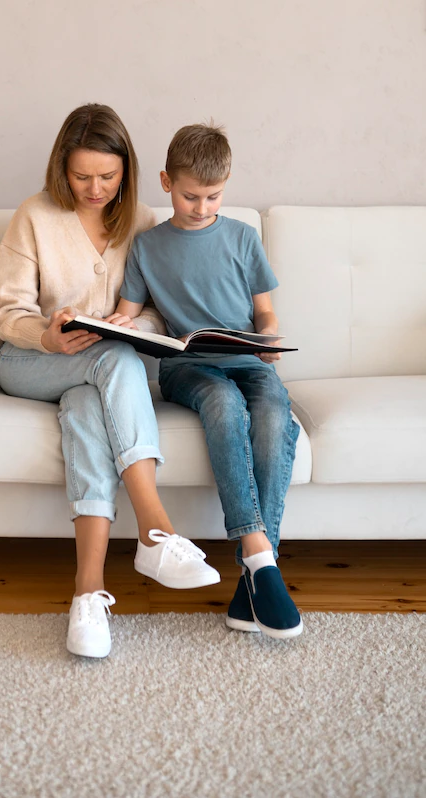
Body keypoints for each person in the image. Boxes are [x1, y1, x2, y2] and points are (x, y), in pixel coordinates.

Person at [0, 104, 220, 659]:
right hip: (31, 361)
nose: (95, 189)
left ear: (127, 171)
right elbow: (8, 313)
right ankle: (155, 529)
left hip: (99, 375)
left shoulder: (144, 223)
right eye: (81, 177)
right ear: (60, 170)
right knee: (112, 365)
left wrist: (131, 322)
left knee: (87, 408)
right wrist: (47, 336)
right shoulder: (34, 216)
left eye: (108, 177)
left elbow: (162, 317)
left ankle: (88, 595)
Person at [114, 123, 303, 639]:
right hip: (188, 368)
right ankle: (261, 558)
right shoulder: (147, 247)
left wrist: (268, 340)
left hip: (246, 359)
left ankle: (255, 571)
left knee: (270, 414)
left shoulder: (242, 237)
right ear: (165, 182)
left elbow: (266, 315)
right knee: (223, 405)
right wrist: (120, 325)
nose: (201, 207)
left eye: (213, 196)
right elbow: (128, 314)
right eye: (190, 195)